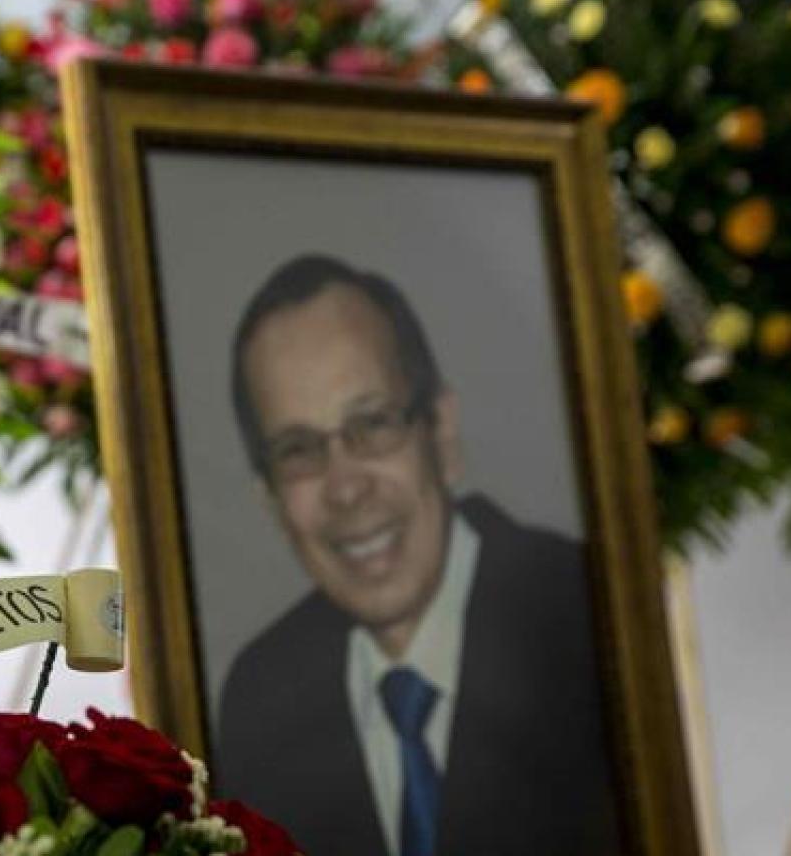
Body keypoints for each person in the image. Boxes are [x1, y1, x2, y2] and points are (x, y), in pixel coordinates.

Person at [216, 254, 621, 856]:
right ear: (272, 501)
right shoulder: (259, 703)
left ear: (442, 432)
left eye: (373, 423)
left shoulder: (594, 617)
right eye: (299, 449)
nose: (346, 487)